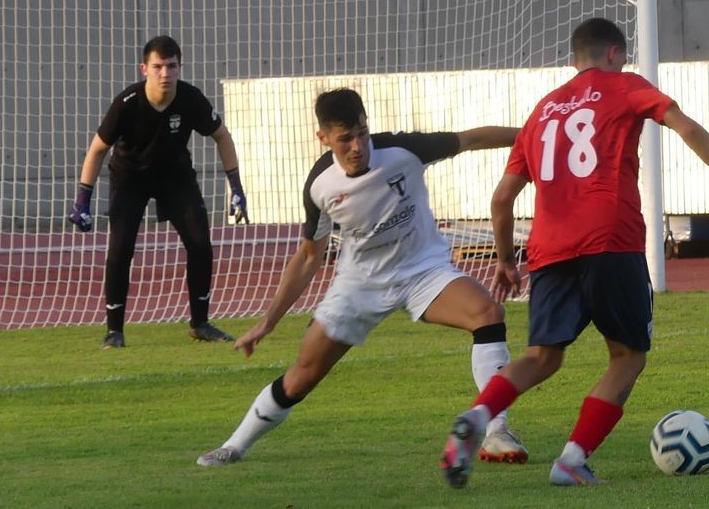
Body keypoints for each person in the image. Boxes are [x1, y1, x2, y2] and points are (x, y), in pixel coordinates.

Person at [440, 18, 709, 488]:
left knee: (542, 355)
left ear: (574, 58)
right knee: (628, 355)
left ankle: (480, 413)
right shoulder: (625, 86)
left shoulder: (543, 110)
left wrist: (506, 260)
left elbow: (503, 198)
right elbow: (684, 126)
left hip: (549, 248)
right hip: (611, 238)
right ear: (614, 53)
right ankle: (570, 461)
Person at [196, 88, 529, 467]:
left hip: (424, 270)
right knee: (302, 376)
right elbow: (308, 258)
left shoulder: (401, 151)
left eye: (362, 133)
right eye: (345, 139)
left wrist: (536, 132)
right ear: (323, 138)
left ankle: (497, 431)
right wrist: (266, 323)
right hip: (360, 285)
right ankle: (234, 446)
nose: (358, 146)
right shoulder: (320, 186)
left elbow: (469, 139)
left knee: (488, 314)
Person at [67, 36, 246, 349]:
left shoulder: (190, 98)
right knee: (120, 249)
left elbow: (222, 136)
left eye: (172, 66)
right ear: (144, 69)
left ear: (180, 67)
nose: (165, 73)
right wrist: (82, 201)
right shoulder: (127, 103)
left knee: (201, 243)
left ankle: (200, 323)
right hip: (129, 178)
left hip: (175, 178)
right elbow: (97, 149)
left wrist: (237, 189)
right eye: (158, 66)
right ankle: (114, 331)